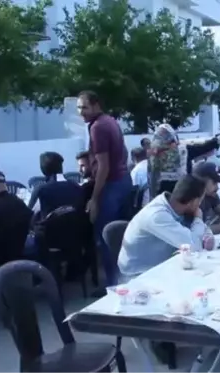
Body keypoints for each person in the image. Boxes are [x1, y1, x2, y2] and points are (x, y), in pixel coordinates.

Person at [78, 90, 133, 287]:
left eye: (84, 107)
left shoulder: (98, 127)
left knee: (105, 238)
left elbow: (103, 166)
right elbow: (123, 153)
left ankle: (113, 286)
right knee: (119, 236)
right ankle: (123, 281)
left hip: (111, 185)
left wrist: (94, 198)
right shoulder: (111, 121)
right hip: (123, 181)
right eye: (79, 107)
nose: (80, 112)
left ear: (96, 105)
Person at [118, 175, 209, 279]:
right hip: (138, 276)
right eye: (200, 201)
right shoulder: (157, 216)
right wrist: (198, 219)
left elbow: (204, 234)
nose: (200, 206)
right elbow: (194, 247)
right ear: (193, 202)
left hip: (161, 268)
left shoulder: (177, 208)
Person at [148, 123, 220, 197]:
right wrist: (217, 140)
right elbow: (203, 148)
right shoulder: (182, 150)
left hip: (159, 197)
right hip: (181, 194)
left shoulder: (152, 154)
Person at [28, 152, 84, 221]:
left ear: (42, 169)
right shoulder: (76, 185)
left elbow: (28, 214)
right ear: (61, 167)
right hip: (76, 229)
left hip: (49, 230)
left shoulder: (41, 190)